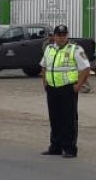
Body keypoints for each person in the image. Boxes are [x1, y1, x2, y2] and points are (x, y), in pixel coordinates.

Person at [39, 24, 91, 159]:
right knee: (55, 118)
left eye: (64, 35)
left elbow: (85, 69)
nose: (62, 38)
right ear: (54, 36)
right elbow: (44, 66)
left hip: (68, 88)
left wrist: (78, 86)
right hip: (52, 88)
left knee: (69, 119)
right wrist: (44, 82)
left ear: (67, 36)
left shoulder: (75, 49)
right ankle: (55, 147)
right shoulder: (49, 49)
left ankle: (69, 148)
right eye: (59, 35)